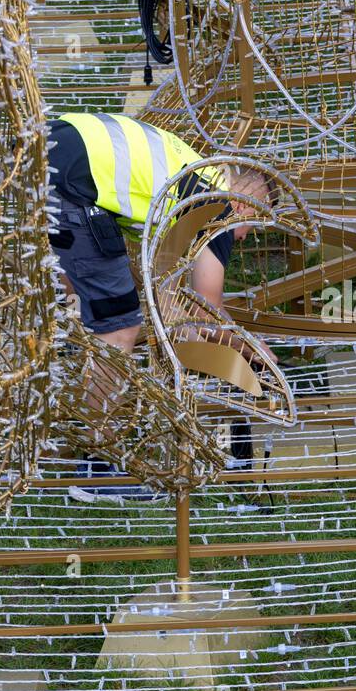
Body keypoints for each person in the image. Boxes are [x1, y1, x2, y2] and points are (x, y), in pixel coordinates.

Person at [46, 112, 269, 498]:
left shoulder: (190, 176)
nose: (246, 238)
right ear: (250, 203)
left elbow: (169, 301)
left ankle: (71, 424)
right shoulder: (218, 205)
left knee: (97, 312)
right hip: (74, 179)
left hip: (52, 151)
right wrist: (254, 352)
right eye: (256, 225)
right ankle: (96, 470)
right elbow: (205, 304)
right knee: (119, 329)